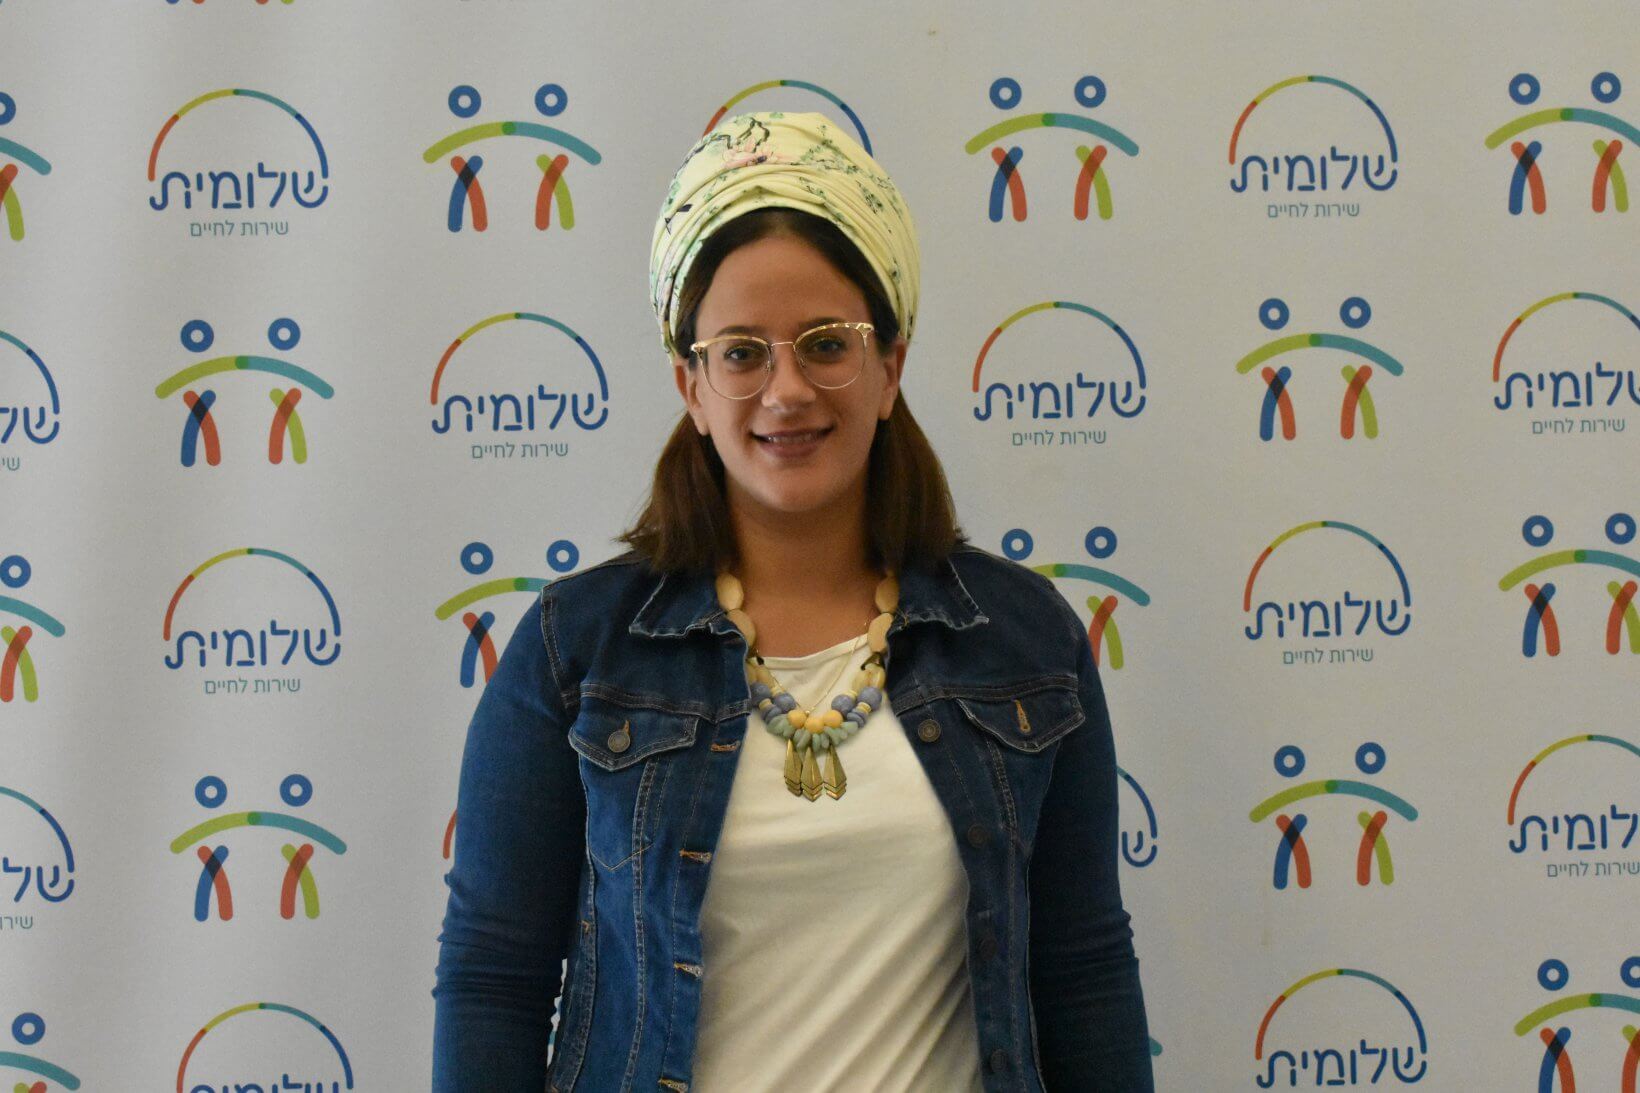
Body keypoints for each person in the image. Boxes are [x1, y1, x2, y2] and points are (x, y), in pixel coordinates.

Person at [432, 110, 1152, 1092]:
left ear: (890, 367)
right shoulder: (576, 650)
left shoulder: (1024, 641)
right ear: (690, 385)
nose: (786, 391)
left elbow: (1083, 973)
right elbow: (494, 978)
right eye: (740, 352)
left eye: (825, 344)